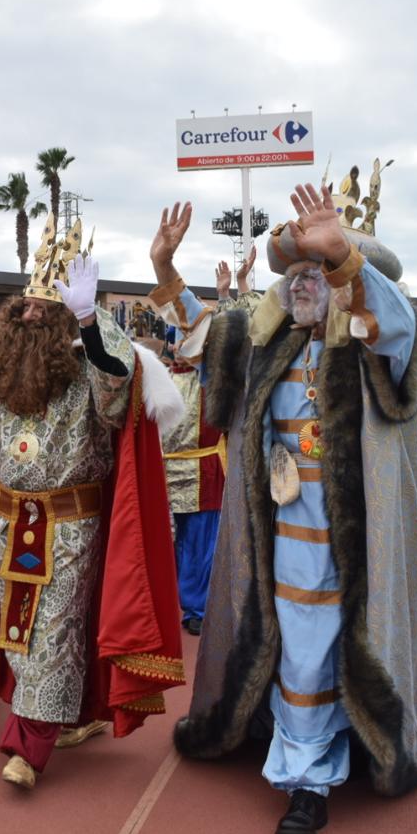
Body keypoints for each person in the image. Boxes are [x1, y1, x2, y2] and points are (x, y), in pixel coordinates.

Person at [157, 173, 417, 834]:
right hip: (278, 534)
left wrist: (343, 257)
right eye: (295, 270)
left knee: (323, 648)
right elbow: (208, 338)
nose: (302, 282)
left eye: (318, 270)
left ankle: (309, 783)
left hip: (349, 542)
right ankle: (308, 751)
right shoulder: (269, 342)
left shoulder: (374, 346)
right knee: (294, 645)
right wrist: (164, 270)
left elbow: (398, 330)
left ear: (350, 279)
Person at [0, 209, 186, 789]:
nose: (28, 312)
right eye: (24, 305)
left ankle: (29, 747)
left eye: (45, 309)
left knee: (55, 631)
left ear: (62, 319)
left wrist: (93, 320)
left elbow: (119, 388)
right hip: (6, 522)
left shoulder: (85, 361)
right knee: (17, 632)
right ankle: (65, 716)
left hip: (72, 527)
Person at [152, 252, 260, 636]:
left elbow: (233, 340)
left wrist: (230, 294)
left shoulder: (210, 377)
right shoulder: (158, 377)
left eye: (187, 337)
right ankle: (173, 601)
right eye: (177, 339)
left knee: (201, 545)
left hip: (204, 471)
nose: (182, 345)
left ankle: (197, 606)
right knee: (169, 544)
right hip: (166, 471)